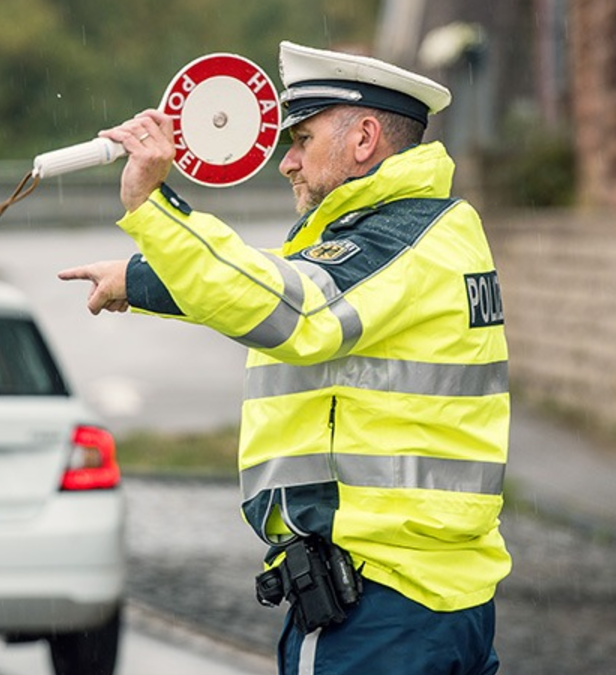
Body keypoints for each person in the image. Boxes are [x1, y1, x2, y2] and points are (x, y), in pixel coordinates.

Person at [58, 41, 510, 675]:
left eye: (301, 138)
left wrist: (153, 208)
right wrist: (140, 280)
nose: (287, 162)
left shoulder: (400, 235)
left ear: (364, 138)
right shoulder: (428, 230)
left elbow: (295, 311)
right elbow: (295, 287)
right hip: (436, 595)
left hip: (382, 606)